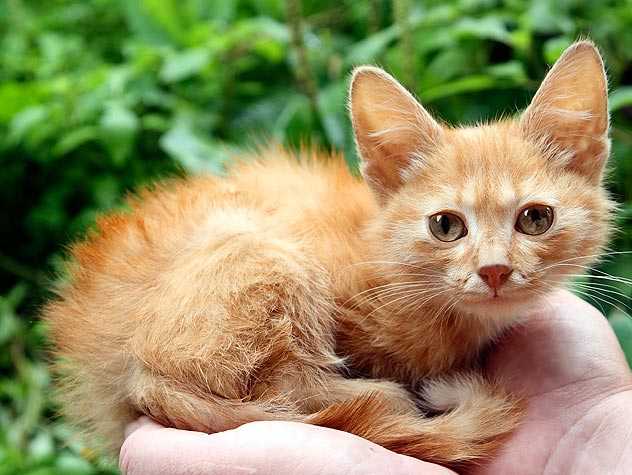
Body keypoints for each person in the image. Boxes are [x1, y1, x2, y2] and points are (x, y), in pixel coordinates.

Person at [119, 290, 632, 474]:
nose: (494, 262)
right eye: (448, 226)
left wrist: (598, 424)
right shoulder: (392, 300)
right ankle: (293, 384)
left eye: (535, 219)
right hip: (180, 336)